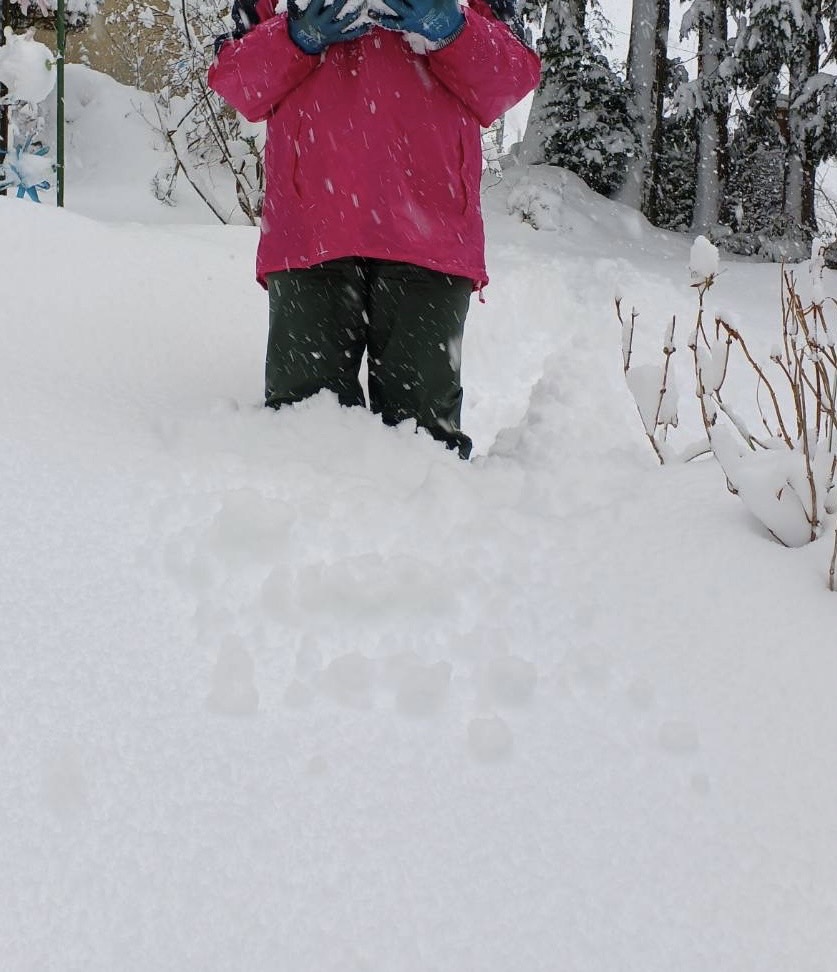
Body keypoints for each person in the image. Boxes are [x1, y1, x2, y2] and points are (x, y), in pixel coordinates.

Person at [208, 0, 540, 459]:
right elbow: (235, 79)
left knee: (423, 452)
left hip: (430, 234)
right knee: (302, 442)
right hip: (313, 232)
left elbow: (512, 77)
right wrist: (296, 36)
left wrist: (451, 28)